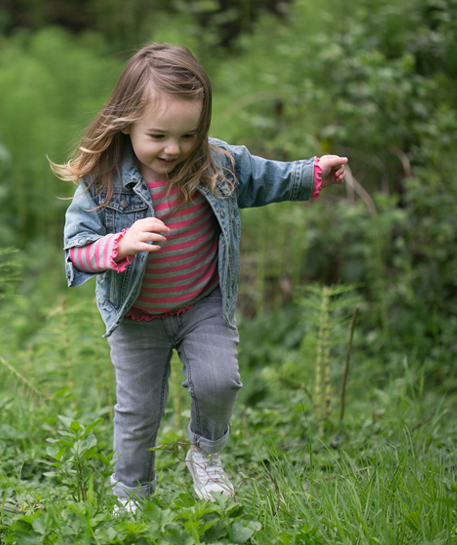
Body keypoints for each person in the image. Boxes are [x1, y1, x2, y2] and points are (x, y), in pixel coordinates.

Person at [52, 43, 348, 511]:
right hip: (137, 318)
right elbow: (76, 251)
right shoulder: (102, 183)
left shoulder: (216, 162)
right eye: (158, 136)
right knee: (138, 412)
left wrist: (311, 173)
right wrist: (119, 245)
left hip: (202, 304)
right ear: (125, 123)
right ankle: (131, 493)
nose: (174, 149)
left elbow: (263, 177)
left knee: (219, 382)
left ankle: (205, 455)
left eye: (188, 135)